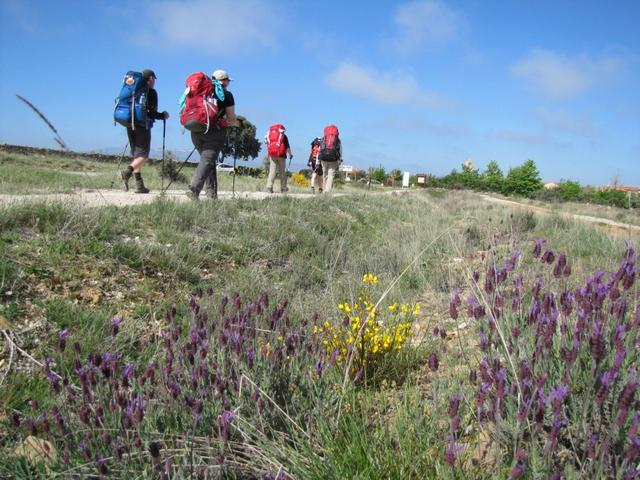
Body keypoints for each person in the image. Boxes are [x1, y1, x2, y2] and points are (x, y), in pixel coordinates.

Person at [186, 70, 238, 200]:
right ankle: (194, 189)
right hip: (214, 131)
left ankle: (212, 194)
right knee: (207, 161)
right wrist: (237, 124)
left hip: (195, 130)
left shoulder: (200, 91)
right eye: (228, 81)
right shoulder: (226, 94)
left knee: (209, 162)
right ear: (224, 81)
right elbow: (231, 119)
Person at [121, 69, 169, 193]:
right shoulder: (151, 92)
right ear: (151, 78)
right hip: (142, 125)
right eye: (154, 80)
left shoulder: (133, 90)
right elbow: (152, 113)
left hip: (129, 123)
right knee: (143, 155)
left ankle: (139, 185)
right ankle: (128, 171)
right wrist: (162, 115)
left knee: (136, 155)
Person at [265, 125, 293, 194]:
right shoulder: (284, 136)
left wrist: (268, 155)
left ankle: (269, 187)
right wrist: (290, 154)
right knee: (282, 172)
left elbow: (269, 145)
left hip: (272, 155)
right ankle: (283, 188)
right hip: (281, 156)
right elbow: (287, 147)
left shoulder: (271, 135)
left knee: (272, 172)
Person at [318, 125, 342, 193]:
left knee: (324, 174)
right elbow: (340, 150)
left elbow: (320, 149)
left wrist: (318, 159)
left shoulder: (323, 138)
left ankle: (324, 190)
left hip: (324, 158)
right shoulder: (338, 140)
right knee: (331, 175)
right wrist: (339, 159)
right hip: (333, 159)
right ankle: (327, 191)